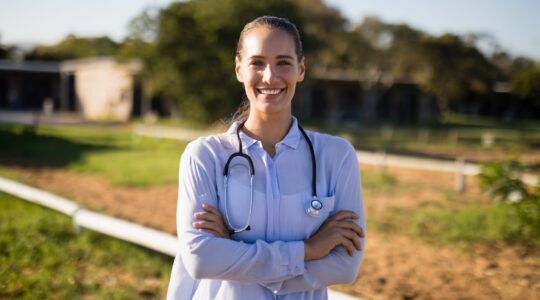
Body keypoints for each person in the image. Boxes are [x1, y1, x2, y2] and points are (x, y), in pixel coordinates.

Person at [167, 16, 365, 300]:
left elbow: (345, 266)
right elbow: (200, 259)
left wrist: (233, 250)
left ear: (301, 69)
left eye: (283, 62)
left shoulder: (336, 156)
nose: (270, 76)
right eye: (257, 62)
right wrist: (307, 251)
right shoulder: (204, 156)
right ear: (239, 70)